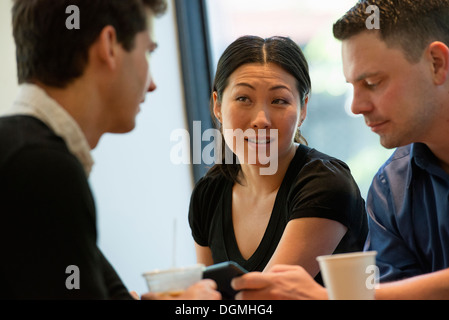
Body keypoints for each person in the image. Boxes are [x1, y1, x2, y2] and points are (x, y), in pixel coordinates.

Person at [0, 0, 220, 300]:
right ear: (109, 45)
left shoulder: (22, 154)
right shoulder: (43, 170)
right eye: (148, 51)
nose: (152, 84)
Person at [232, 0, 449, 300]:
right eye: (353, 86)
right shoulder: (392, 188)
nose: (356, 106)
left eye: (372, 82)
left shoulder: (329, 183)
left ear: (436, 63)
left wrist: (328, 298)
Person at [188, 35, 368, 285]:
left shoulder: (325, 184)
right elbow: (207, 295)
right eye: (243, 99)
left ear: (303, 109)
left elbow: (265, 300)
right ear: (217, 106)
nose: (261, 119)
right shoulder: (208, 194)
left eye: (279, 101)